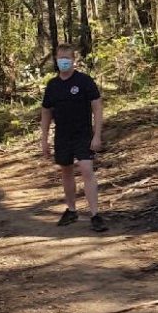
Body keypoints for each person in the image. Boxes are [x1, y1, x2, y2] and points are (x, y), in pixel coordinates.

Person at [40, 44, 108, 232]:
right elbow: (46, 112)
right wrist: (44, 139)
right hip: (62, 135)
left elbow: (97, 107)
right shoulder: (52, 86)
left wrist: (97, 135)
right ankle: (71, 210)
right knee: (66, 171)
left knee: (87, 170)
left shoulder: (84, 81)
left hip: (83, 134)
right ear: (56, 59)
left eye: (67, 58)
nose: (63, 61)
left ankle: (95, 214)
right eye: (60, 58)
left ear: (73, 60)